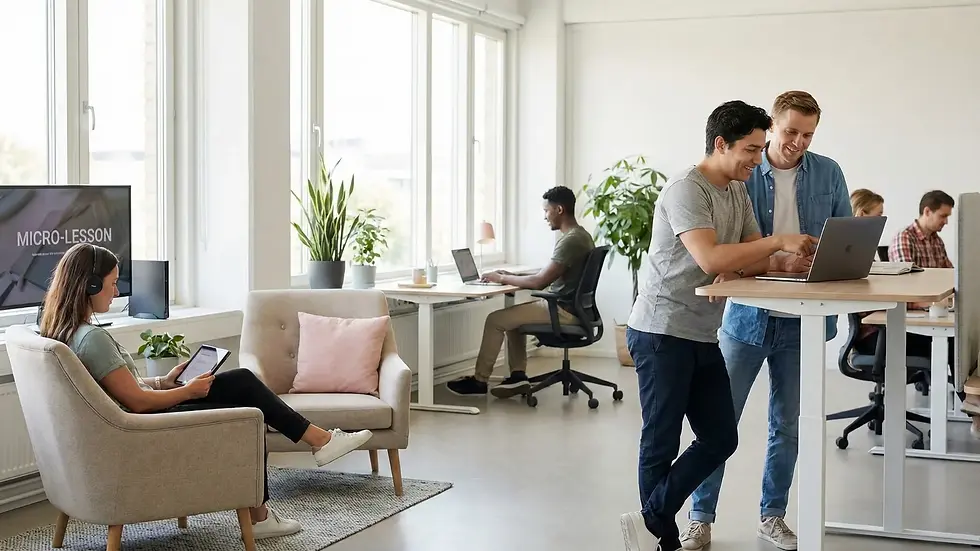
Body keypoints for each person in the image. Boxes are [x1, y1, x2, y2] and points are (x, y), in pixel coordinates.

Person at [39, 243, 374, 541]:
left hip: (132, 424)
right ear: (90, 286)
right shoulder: (92, 339)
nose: (115, 292)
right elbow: (137, 403)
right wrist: (187, 393)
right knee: (247, 405)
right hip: (144, 428)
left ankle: (313, 451)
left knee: (242, 387)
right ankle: (315, 449)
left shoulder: (64, 332)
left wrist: (165, 382)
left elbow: (122, 390)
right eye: (111, 284)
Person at [619, 100, 817, 551]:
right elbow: (711, 258)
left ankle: (648, 518)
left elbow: (751, 256)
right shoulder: (686, 190)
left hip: (702, 331)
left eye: (760, 147)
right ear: (720, 144)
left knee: (720, 437)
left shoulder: (737, 189)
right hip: (660, 331)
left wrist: (793, 261)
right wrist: (774, 243)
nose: (756, 158)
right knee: (661, 441)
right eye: (750, 149)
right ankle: (663, 539)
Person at [680, 91, 851, 551]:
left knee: (788, 425)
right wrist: (775, 261)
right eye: (791, 131)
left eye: (808, 134)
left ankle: (772, 516)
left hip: (804, 321)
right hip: (746, 317)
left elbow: (846, 237)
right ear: (772, 127)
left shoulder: (829, 172)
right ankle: (700, 518)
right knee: (720, 422)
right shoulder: (742, 174)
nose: (798, 142)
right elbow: (724, 252)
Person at [446, 185, 595, 398]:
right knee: (512, 319)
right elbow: (546, 275)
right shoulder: (581, 236)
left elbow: (539, 282)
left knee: (495, 320)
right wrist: (508, 274)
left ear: (559, 210)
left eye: (547, 211)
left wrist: (502, 277)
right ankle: (517, 376)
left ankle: (479, 381)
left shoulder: (571, 240)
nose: (545, 217)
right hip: (573, 307)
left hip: (563, 310)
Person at [888, 190, 954, 270]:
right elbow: (905, 279)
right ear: (927, 212)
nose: (946, 222)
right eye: (942, 216)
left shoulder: (937, 241)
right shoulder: (904, 237)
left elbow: (950, 272)